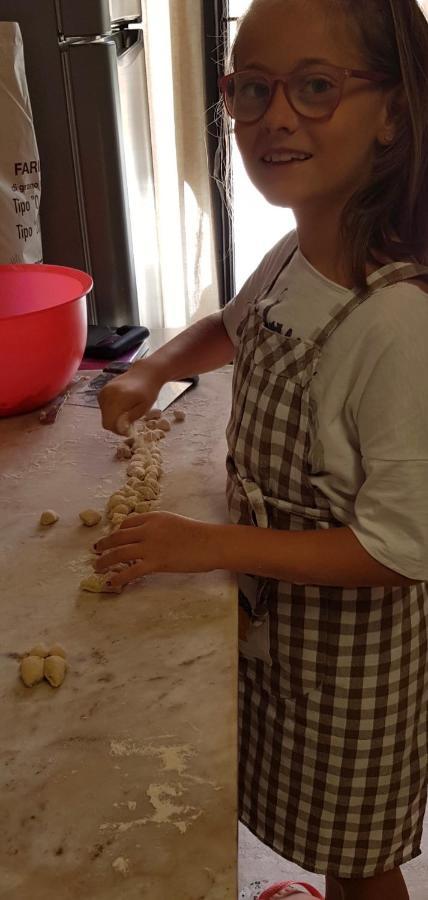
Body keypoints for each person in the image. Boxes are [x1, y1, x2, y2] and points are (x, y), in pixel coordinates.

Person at [95, 1, 428, 897]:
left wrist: (207, 545)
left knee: (361, 863)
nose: (275, 117)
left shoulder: (396, 323)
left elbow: (398, 551)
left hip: (351, 670)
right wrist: (152, 368)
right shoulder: (296, 254)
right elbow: (235, 327)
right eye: (251, 90)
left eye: (317, 88)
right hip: (283, 635)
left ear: (395, 113)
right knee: (309, 827)